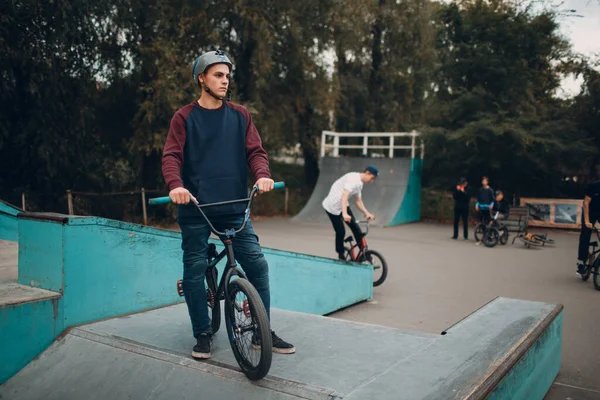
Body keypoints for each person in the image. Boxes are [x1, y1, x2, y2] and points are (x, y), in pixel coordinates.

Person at [161, 50, 295, 360]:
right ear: (202, 79)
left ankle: (263, 332)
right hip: (196, 210)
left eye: (227, 75)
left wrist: (263, 176)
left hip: (235, 208)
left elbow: (256, 153)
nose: (225, 80)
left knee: (258, 266)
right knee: (194, 269)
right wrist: (176, 185)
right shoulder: (184, 117)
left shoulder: (240, 115)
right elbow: (171, 156)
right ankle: (203, 333)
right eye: (218, 75)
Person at [322, 166, 378, 260]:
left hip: (342, 205)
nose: (371, 181)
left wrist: (366, 213)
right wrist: (344, 214)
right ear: (367, 173)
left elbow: (358, 201)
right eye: (372, 178)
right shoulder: (353, 179)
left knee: (356, 228)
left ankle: (364, 253)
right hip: (331, 207)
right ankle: (341, 253)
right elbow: (344, 195)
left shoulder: (360, 184)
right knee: (341, 231)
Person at [577, 179, 600, 275]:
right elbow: (586, 203)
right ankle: (581, 261)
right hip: (590, 212)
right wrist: (587, 221)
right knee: (585, 234)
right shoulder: (594, 185)